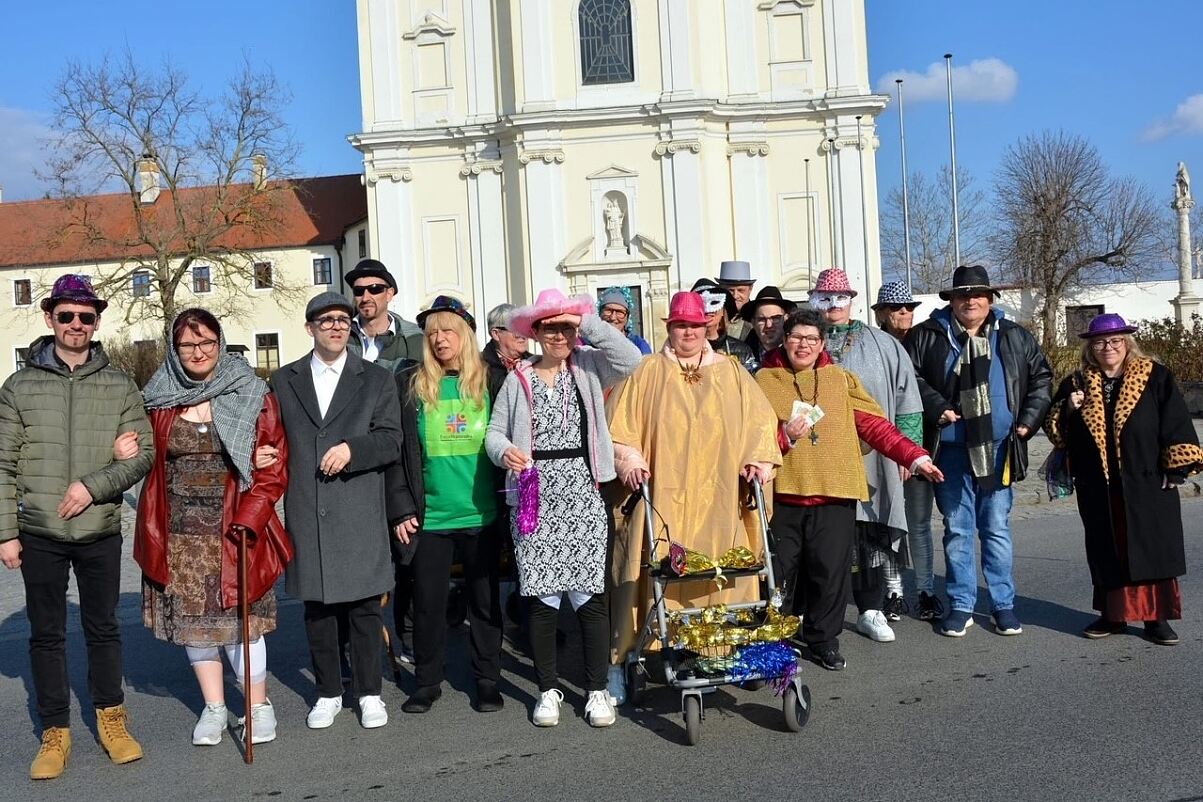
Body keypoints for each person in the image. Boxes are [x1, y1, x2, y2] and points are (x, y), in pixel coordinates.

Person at [0, 275, 153, 780]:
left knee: (103, 628)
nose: (77, 325)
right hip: (40, 530)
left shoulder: (119, 385)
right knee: (46, 634)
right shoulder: (20, 386)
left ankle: (112, 717)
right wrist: (5, 532)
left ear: (96, 322)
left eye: (86, 317)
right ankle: (55, 730)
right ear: (50, 319)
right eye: (67, 315)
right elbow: (1, 463)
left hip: (99, 528)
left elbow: (144, 454)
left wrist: (93, 485)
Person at [607, 291, 781, 702]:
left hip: (722, 499)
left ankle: (723, 646)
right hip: (663, 499)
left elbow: (761, 424)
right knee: (656, 566)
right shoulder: (647, 371)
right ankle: (638, 653)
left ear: (709, 327)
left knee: (723, 568)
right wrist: (630, 461)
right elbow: (621, 429)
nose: (688, 333)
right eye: (681, 325)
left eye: (696, 326)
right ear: (669, 327)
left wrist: (759, 461)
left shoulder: (733, 372)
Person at [131, 308, 292, 746]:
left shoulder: (253, 393)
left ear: (220, 344)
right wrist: (125, 446)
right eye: (188, 345)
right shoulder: (158, 398)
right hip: (179, 536)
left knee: (242, 625)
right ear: (174, 349)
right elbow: (144, 456)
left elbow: (275, 468)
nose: (198, 352)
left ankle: (258, 706)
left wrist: (250, 517)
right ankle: (215, 708)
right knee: (195, 627)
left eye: (206, 343)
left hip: (235, 529)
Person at [486, 289, 643, 728]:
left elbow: (631, 359)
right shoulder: (518, 379)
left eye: (565, 327)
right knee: (540, 599)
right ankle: (548, 689)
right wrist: (505, 454)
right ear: (534, 332)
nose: (559, 335)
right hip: (535, 492)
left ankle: (595, 691)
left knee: (590, 598)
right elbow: (494, 434)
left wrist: (585, 320)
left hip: (582, 488)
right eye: (550, 327)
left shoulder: (589, 366)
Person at [757, 308, 943, 669]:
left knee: (830, 573)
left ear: (822, 342)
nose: (804, 345)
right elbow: (747, 436)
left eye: (812, 339)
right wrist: (782, 436)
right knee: (779, 573)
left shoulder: (840, 379)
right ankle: (775, 638)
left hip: (834, 493)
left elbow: (875, 426)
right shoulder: (763, 380)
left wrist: (914, 458)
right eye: (796, 337)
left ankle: (823, 639)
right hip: (783, 496)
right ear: (785, 339)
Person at [272, 291, 408, 730]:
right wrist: (264, 455)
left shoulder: (374, 379)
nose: (336, 326)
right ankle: (329, 691)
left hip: (358, 506)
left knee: (366, 609)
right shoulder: (283, 380)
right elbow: (270, 435)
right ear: (309, 327)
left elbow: (391, 440)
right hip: (309, 509)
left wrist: (353, 448)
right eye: (325, 320)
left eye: (343, 319)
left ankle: (369, 692)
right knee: (320, 611)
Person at [904, 265, 1052, 637]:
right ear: (951, 300)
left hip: (998, 448)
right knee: (957, 529)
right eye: (962, 294)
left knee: (996, 529)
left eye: (978, 294)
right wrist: (937, 407)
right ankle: (960, 604)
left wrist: (1028, 421)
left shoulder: (1014, 335)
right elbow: (909, 378)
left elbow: (1041, 379)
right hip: (951, 450)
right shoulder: (927, 335)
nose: (970, 300)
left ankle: (1003, 605)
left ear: (990, 299)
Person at [1044, 314, 1202, 645]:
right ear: (1090, 347)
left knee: (1151, 546)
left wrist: (1176, 467)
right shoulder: (1076, 383)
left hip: (1146, 478)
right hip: (1098, 483)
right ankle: (1113, 615)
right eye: (1100, 342)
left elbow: (1175, 420)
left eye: (1116, 341)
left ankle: (1156, 619)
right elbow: (1056, 433)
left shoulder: (1155, 377)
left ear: (1127, 343)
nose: (1108, 348)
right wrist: (1069, 410)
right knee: (1106, 547)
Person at [397, 296, 505, 715]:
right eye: (432, 334)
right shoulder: (410, 384)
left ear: (466, 336)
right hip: (432, 518)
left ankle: (486, 679)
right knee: (428, 603)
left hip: (482, 514)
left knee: (484, 602)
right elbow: (399, 455)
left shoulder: (492, 381)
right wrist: (401, 507)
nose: (440, 340)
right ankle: (427, 682)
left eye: (449, 331)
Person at [807, 269, 924, 643]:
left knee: (871, 529)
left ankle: (871, 608)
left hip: (874, 455)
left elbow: (907, 399)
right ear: (814, 301)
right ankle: (823, 616)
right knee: (827, 537)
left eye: (840, 298)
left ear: (852, 300)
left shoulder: (884, 344)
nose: (833, 306)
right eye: (825, 298)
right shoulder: (805, 341)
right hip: (819, 460)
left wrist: (907, 450)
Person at [872, 281, 941, 621]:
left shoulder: (924, 343)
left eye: (909, 307)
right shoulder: (872, 346)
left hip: (920, 451)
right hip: (882, 448)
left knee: (918, 524)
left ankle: (926, 590)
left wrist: (911, 450)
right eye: (897, 308)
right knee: (887, 525)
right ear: (881, 313)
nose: (904, 313)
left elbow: (922, 396)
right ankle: (893, 591)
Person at [345, 258, 424, 370]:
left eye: (375, 289)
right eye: (359, 291)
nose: (365, 298)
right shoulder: (341, 335)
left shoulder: (414, 338)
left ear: (389, 294)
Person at [691, 278, 757, 372]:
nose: (708, 311)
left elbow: (750, 383)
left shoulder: (742, 350)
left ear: (723, 311)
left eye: (714, 303)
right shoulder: (685, 348)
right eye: (701, 304)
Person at [483, 303, 533, 399]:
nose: (522, 335)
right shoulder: (478, 366)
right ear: (496, 334)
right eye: (515, 329)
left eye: (524, 328)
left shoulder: (535, 363)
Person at [741, 286, 796, 362]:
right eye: (762, 319)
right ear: (753, 322)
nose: (769, 325)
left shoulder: (798, 353)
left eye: (775, 318)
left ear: (786, 319)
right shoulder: (741, 355)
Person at [596, 287, 653, 355]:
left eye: (619, 312)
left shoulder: (639, 346)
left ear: (627, 317)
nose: (613, 317)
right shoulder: (588, 345)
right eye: (608, 311)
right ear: (600, 313)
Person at [715, 260, 756, 340]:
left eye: (741, 290)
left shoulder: (758, 317)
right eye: (730, 290)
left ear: (750, 289)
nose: (735, 296)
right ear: (720, 289)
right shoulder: (712, 317)